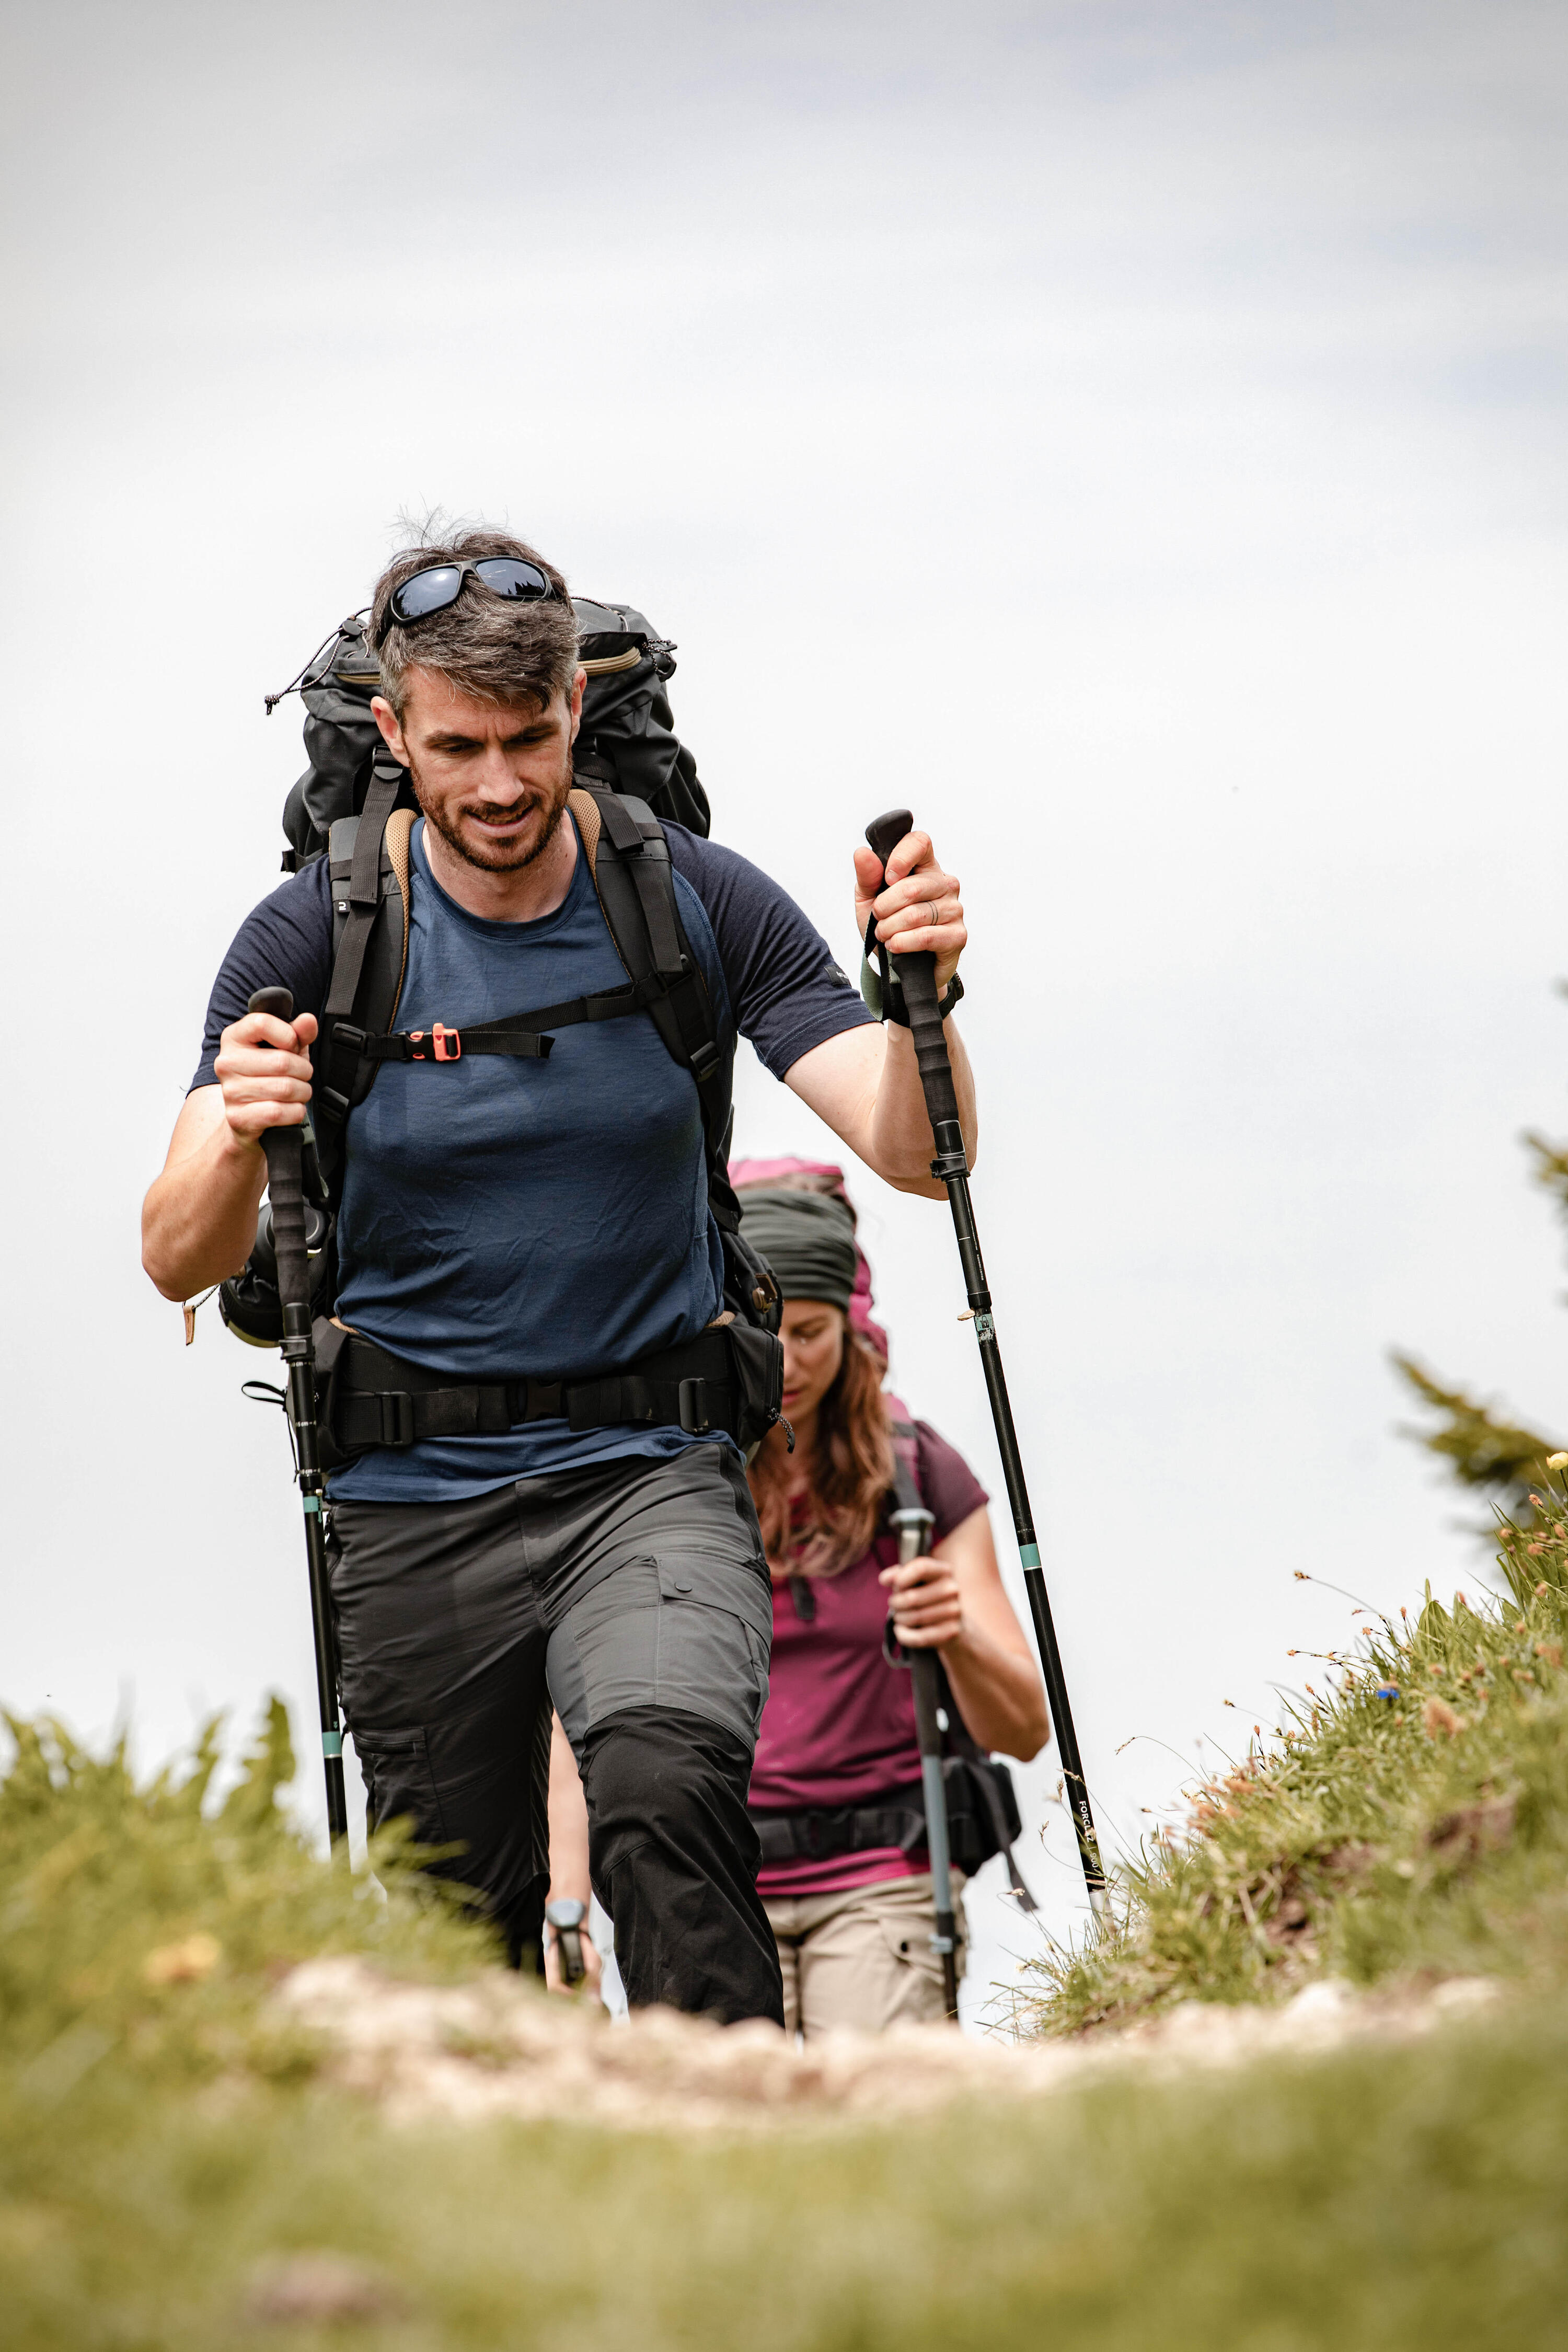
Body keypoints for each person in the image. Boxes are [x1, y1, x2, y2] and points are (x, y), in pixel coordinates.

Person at [140, 524, 977, 2025]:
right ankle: (509, 2195)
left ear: (575, 716)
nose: (503, 782)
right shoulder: (310, 934)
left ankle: (739, 2152)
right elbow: (173, 1258)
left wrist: (922, 998)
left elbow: (924, 1154)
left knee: (665, 1785)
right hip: (410, 1499)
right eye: (460, 745)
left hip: (650, 1467)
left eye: (529, 737)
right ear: (395, 733)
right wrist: (241, 1128)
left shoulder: (696, 901)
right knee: (461, 1911)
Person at [735, 1163, 1049, 2034]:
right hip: (716, 1883)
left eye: (812, 1334)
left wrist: (954, 1636)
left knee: (873, 2109)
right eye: (765, 1333)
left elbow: (1022, 1730)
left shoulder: (916, 1475)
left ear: (852, 1325)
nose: (788, 1364)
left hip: (888, 1874)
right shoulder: (680, 1476)